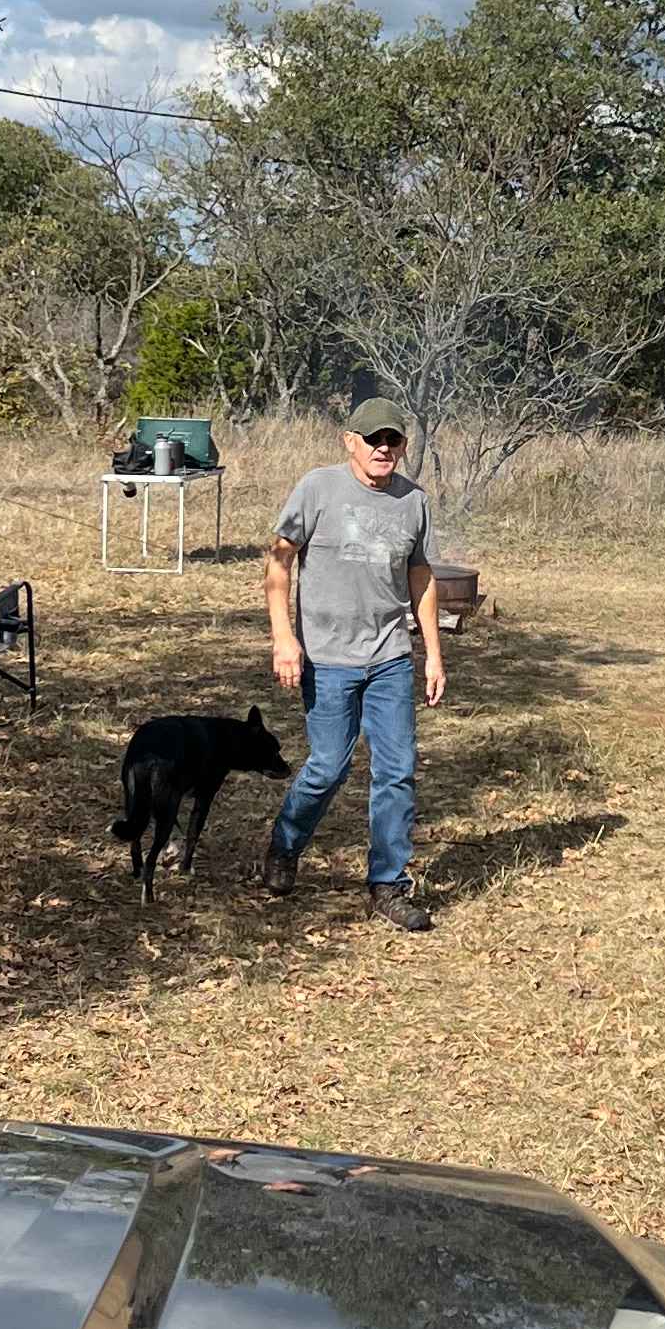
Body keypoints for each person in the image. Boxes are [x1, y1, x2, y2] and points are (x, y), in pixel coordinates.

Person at [261, 393, 445, 930]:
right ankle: (284, 845)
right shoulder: (318, 488)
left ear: (404, 446)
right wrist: (283, 639)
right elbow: (278, 562)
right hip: (328, 655)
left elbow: (421, 577)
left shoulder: (414, 501)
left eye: (393, 440)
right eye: (373, 440)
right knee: (328, 767)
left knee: (397, 772)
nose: (383, 449)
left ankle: (388, 883)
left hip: (390, 654)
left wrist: (432, 654)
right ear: (351, 443)